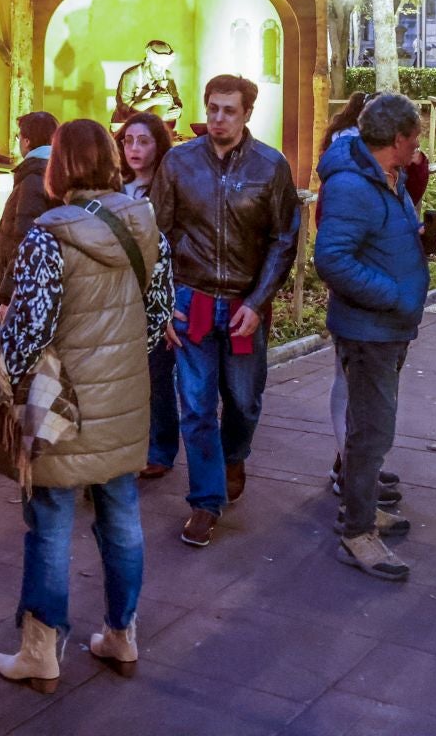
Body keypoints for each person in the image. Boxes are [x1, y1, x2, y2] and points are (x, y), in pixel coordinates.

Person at [0, 119, 174, 694]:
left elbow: (29, 331)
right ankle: (121, 634)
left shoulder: (49, 234)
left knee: (49, 520)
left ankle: (40, 651)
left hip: (59, 400)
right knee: (121, 515)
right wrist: (117, 364)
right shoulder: (145, 224)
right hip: (122, 396)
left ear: (60, 165)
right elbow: (159, 311)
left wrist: (2, 379)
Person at [151, 75, 299, 548]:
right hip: (190, 299)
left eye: (228, 111)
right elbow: (157, 234)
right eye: (213, 109)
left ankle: (234, 454)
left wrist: (258, 302)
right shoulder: (178, 162)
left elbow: (284, 239)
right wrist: (163, 301)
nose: (217, 118)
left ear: (247, 114)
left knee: (243, 399)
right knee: (195, 406)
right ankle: (204, 502)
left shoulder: (271, 167)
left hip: (243, 303)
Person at [314, 93, 436, 582]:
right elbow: (331, 259)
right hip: (369, 328)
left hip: (386, 327)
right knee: (372, 431)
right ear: (398, 139)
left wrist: (424, 243)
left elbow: (381, 241)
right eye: (415, 139)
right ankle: (357, 533)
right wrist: (393, 294)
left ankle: (364, 510)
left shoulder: (385, 178)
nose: (419, 148)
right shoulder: (354, 185)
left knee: (370, 429)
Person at [116, 113, 177, 478]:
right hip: (118, 294)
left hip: (156, 297)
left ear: (159, 145)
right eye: (128, 141)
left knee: (156, 376)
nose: (134, 149)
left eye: (144, 141)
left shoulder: (169, 189)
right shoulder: (112, 188)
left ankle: (160, 448)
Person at [0, 112, 60, 330]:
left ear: (27, 141)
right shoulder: (52, 171)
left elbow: (25, 239)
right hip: (27, 281)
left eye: (17, 137)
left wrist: (7, 297)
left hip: (18, 286)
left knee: (1, 352)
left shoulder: (34, 177)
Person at [113, 40, 184, 125]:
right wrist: (153, 101)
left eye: (164, 67)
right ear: (148, 62)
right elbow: (126, 111)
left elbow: (176, 99)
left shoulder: (167, 75)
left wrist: (178, 110)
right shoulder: (131, 76)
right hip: (126, 125)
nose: (161, 71)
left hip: (150, 125)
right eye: (157, 66)